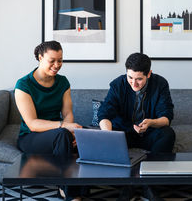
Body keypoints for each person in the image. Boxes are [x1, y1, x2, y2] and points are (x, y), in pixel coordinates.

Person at [98, 52, 175, 201]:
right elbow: (104, 114)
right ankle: (128, 186)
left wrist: (151, 122)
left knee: (168, 134)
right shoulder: (118, 84)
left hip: (150, 132)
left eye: (139, 79)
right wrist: (108, 135)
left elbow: (167, 117)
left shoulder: (160, 84)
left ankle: (148, 185)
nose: (134, 84)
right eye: (130, 78)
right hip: (124, 133)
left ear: (149, 74)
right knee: (111, 133)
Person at [15, 40, 85, 201]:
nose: (56, 65)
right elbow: (32, 123)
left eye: (60, 60)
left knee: (86, 135)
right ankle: (70, 193)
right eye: (51, 61)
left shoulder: (63, 82)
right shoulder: (23, 85)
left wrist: (72, 131)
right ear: (40, 58)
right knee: (62, 134)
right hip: (30, 137)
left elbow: (68, 113)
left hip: (58, 135)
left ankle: (82, 188)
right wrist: (64, 127)